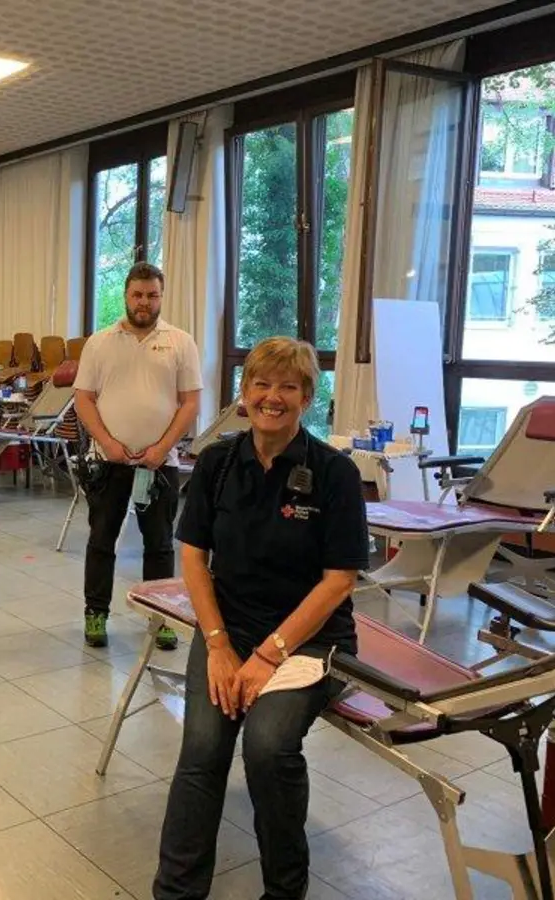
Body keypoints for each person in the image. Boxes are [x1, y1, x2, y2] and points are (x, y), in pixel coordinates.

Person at [152, 336, 368, 900]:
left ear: (307, 398)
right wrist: (220, 646)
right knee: (201, 749)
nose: (273, 397)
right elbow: (194, 557)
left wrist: (269, 655)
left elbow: (339, 580)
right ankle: (175, 893)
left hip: (308, 641)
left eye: (288, 387)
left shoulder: (335, 474)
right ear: (243, 394)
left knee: (268, 748)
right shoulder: (219, 462)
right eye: (261, 385)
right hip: (230, 628)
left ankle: (285, 891)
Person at [73, 261, 202, 650]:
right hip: (108, 461)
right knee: (101, 539)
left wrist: (162, 449)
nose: (144, 302)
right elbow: (83, 398)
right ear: (126, 296)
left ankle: (161, 616)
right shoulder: (100, 342)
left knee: (160, 543)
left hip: (160, 464)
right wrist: (108, 443)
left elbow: (191, 402)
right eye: (137, 294)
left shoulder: (181, 342)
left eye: (152, 295)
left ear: (161, 297)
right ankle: (95, 613)